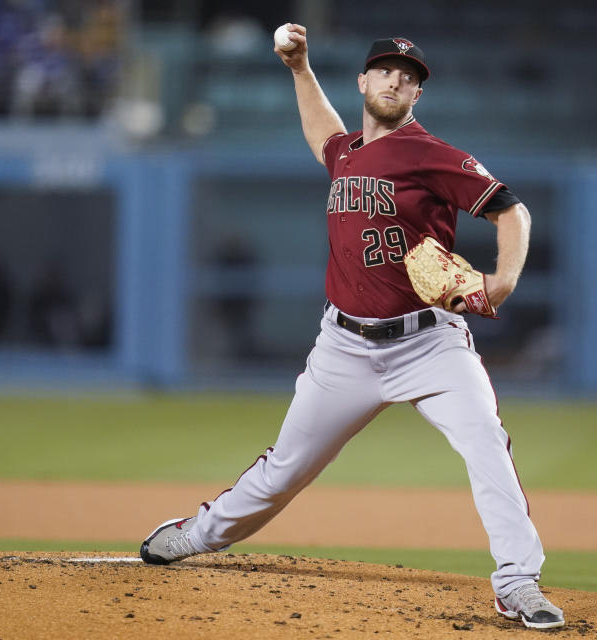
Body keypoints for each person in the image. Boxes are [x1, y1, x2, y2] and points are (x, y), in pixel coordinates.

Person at [140, 25, 565, 631]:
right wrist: (299, 66)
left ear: (417, 93)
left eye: (410, 75)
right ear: (363, 80)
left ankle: (518, 583)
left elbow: (511, 211)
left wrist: (502, 281)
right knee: (285, 468)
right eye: (386, 70)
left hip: (430, 344)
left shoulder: (432, 154)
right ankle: (198, 534)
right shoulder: (347, 154)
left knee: (487, 446)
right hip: (344, 346)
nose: (397, 79)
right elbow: (324, 133)